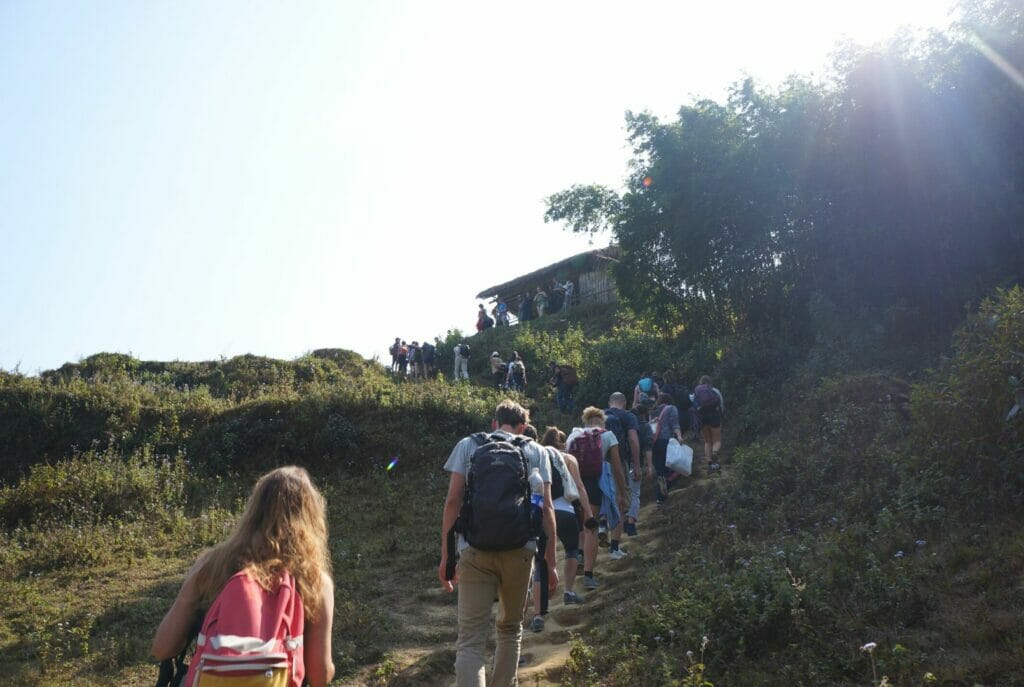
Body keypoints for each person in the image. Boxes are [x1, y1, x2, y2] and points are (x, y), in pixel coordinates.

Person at [152, 466, 335, 687]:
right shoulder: (315, 580)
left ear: (254, 511)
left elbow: (163, 649)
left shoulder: (212, 565)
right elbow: (319, 676)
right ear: (311, 517)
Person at [438, 400, 558, 687]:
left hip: (474, 549)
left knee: (470, 638)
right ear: (524, 427)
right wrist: (549, 562)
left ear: (494, 422)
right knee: (509, 629)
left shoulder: (468, 445)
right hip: (521, 550)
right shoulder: (537, 451)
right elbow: (547, 508)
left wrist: (447, 556)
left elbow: (453, 501)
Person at [527, 426, 595, 632]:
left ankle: (539, 614)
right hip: (566, 511)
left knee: (540, 564)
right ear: (562, 443)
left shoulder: (534, 455)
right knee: (572, 549)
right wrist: (589, 514)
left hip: (541, 512)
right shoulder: (568, 458)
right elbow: (580, 487)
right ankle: (568, 591)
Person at [566, 407, 628, 591]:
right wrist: (622, 492)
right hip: (593, 484)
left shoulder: (574, 435)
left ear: (586, 421)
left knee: (580, 525)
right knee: (591, 526)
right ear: (602, 421)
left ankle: (578, 553)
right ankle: (588, 575)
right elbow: (617, 467)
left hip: (574, 484)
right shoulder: (608, 435)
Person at [605, 392, 643, 538]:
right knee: (621, 494)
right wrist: (637, 465)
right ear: (625, 403)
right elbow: (633, 440)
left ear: (609, 402)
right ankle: (617, 538)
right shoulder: (629, 416)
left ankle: (602, 526)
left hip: (598, 462)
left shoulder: (598, 415)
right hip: (620, 460)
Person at [650, 393, 685, 505]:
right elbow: (675, 425)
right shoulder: (671, 408)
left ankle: (660, 499)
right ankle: (665, 488)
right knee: (677, 468)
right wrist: (679, 436)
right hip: (667, 442)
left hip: (654, 444)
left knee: (661, 472)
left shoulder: (652, 410)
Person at [694, 375, 725, 470]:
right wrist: (721, 415)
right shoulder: (715, 390)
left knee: (707, 441)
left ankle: (709, 463)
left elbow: (694, 407)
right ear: (710, 382)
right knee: (717, 440)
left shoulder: (697, 392)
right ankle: (715, 453)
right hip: (714, 415)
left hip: (703, 417)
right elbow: (722, 405)